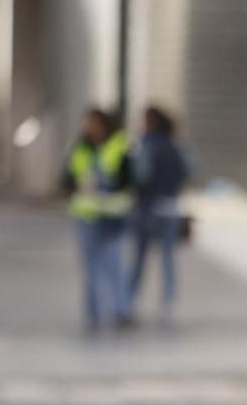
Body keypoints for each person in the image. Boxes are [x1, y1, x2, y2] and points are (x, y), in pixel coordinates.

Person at [60, 107, 133, 330]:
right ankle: (93, 314)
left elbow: (129, 178)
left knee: (114, 265)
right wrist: (78, 187)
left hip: (111, 216)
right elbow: (66, 179)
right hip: (86, 217)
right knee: (91, 268)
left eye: (92, 123)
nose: (89, 128)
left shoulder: (119, 145)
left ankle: (121, 311)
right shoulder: (81, 148)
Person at [127, 106, 193, 321]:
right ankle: (167, 303)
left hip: (149, 207)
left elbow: (141, 176)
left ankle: (130, 300)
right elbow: (189, 170)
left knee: (140, 258)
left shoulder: (148, 145)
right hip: (171, 207)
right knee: (167, 258)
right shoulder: (176, 146)